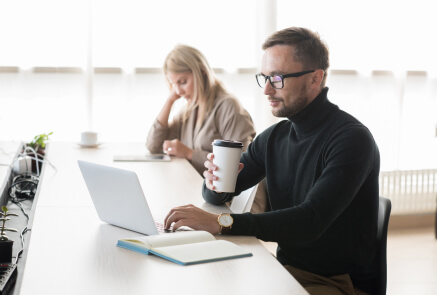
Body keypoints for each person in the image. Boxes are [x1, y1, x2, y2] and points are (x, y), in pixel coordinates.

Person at [164, 27, 380, 295]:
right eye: (264, 77)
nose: (266, 89)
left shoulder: (351, 140)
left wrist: (221, 223)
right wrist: (215, 180)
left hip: (335, 283)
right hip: (285, 270)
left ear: (315, 78)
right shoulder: (275, 137)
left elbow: (310, 221)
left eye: (277, 78)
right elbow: (218, 194)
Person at [146, 44, 256, 175]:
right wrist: (169, 101)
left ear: (202, 73)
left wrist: (189, 154)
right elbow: (154, 146)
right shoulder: (187, 112)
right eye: (173, 84)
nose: (178, 91)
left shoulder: (228, 106)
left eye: (182, 82)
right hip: (199, 188)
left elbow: (239, 163)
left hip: (232, 194)